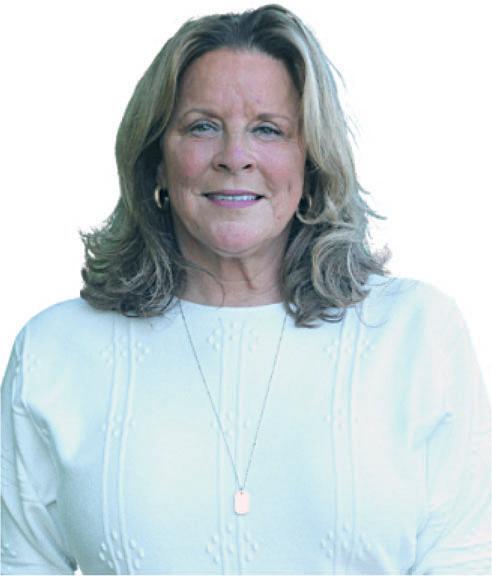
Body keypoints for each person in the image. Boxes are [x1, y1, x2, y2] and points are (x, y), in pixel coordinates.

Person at [1, 4, 490, 574]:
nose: (235, 157)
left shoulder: (417, 335)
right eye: (202, 126)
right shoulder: (56, 351)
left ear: (311, 161)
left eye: (268, 129)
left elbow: (463, 559)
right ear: (156, 161)